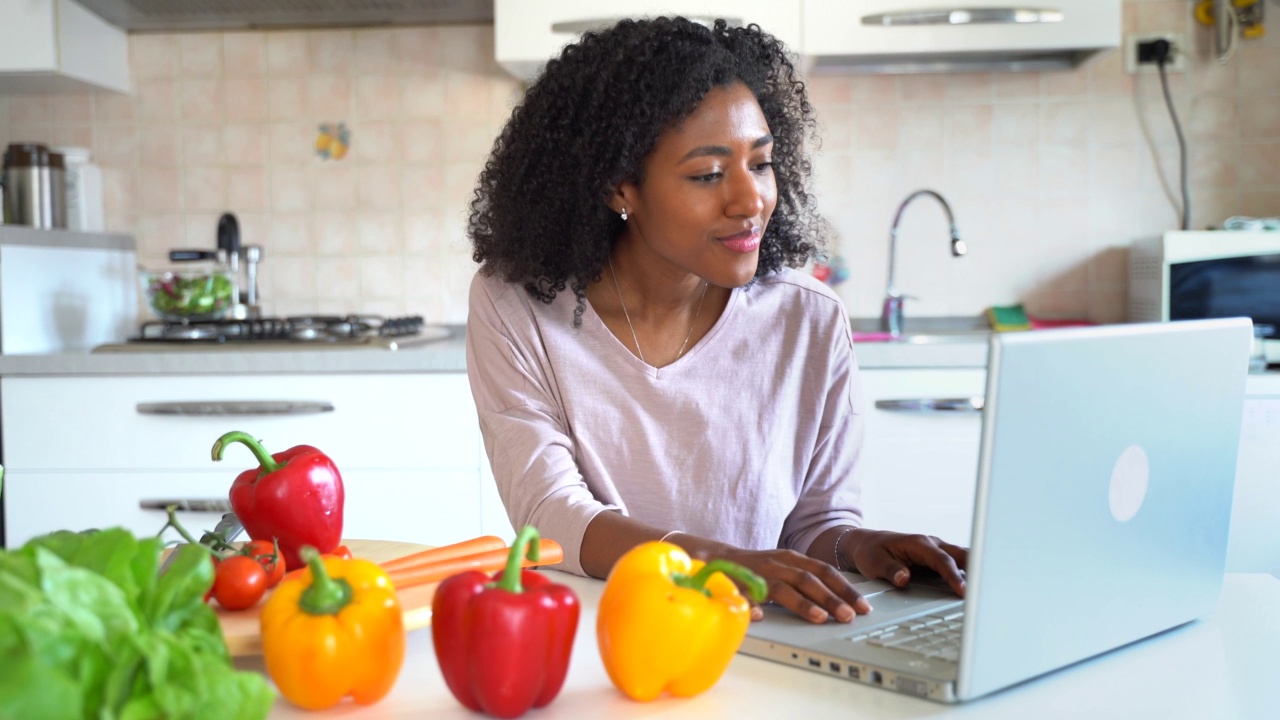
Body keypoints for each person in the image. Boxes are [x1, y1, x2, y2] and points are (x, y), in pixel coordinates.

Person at [465, 16, 966, 624]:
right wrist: (717, 561)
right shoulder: (517, 307)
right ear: (618, 187)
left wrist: (856, 547)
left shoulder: (808, 320)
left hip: (765, 641)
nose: (751, 200)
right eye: (707, 174)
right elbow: (549, 513)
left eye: (761, 163)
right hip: (602, 640)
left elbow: (814, 525)